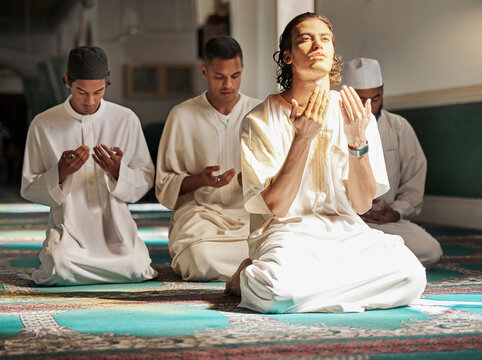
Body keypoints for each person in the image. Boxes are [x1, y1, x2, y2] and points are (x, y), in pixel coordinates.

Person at [225, 12, 426, 313]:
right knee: (278, 291)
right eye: (305, 39)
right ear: (288, 56)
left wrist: (357, 143)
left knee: (411, 276)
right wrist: (302, 139)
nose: (317, 44)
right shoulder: (260, 120)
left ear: (333, 55)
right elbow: (277, 207)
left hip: (346, 230)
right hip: (287, 233)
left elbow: (360, 205)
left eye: (325, 39)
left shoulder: (357, 115)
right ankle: (244, 278)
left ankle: (317, 287)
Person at [21, 46, 157, 286]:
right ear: (67, 82)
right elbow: (29, 187)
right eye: (82, 92)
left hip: (116, 228)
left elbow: (145, 178)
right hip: (69, 229)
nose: (90, 101)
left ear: (107, 82)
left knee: (136, 266)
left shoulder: (125, 119)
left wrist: (117, 171)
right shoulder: (43, 124)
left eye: (99, 91)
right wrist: (60, 172)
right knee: (59, 267)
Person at [155, 36, 260, 281]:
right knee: (200, 257)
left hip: (247, 215)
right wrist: (199, 180)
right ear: (204, 71)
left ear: (242, 69)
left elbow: (276, 175)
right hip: (200, 215)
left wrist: (253, 182)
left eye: (235, 76)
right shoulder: (181, 116)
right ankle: (251, 274)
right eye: (219, 77)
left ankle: (249, 271)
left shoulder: (258, 112)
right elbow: (164, 185)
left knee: (274, 249)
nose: (228, 84)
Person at [341, 58, 443, 269]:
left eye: (376, 98)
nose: (368, 106)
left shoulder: (398, 126)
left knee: (430, 251)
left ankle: (358, 265)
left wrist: (396, 211)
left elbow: (414, 180)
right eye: (361, 99)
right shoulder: (332, 125)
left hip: (384, 223)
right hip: (343, 221)